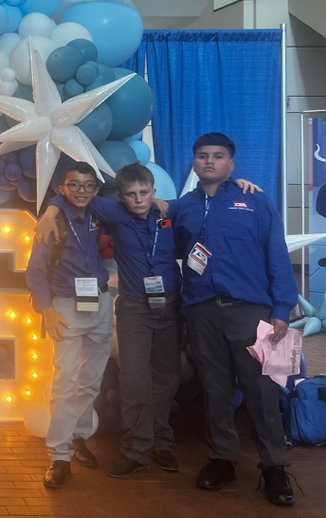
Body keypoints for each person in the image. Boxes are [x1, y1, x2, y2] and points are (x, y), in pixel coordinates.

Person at [34, 163, 263, 480]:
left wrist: (234, 183)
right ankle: (135, 450)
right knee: (133, 381)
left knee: (167, 378)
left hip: (170, 308)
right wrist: (49, 211)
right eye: (131, 194)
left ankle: (160, 442)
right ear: (121, 197)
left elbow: (204, 198)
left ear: (154, 192)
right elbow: (74, 195)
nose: (139, 199)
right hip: (133, 309)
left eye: (144, 192)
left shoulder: (169, 212)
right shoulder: (114, 214)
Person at [174, 133, 297, 506]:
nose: (209, 161)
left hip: (251, 312)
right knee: (215, 389)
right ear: (194, 162)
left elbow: (277, 254)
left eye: (218, 156)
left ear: (231, 164)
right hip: (203, 312)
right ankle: (222, 460)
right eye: (202, 155)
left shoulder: (255, 201)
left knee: (263, 391)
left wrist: (282, 309)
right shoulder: (182, 208)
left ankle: (274, 466)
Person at [25, 162, 113, 490]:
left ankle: (78, 436)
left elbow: (134, 201)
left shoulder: (98, 213)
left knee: (90, 380)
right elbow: (35, 272)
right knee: (65, 383)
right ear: (62, 189)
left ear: (96, 190)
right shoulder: (53, 222)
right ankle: (59, 456)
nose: (81, 191)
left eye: (88, 185)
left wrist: (160, 203)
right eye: (73, 185)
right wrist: (47, 311)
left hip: (100, 302)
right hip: (65, 307)